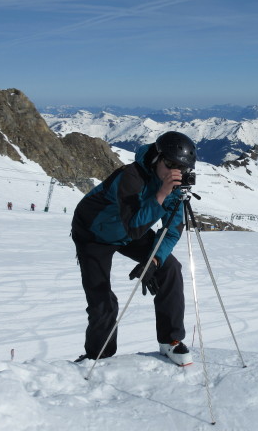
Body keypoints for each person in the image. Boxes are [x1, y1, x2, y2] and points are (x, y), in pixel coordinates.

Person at [71, 131, 196, 366]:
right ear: (156, 157)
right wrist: (161, 194)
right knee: (102, 298)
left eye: (181, 167)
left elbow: (172, 229)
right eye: (170, 164)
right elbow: (135, 227)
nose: (174, 172)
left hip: (127, 233)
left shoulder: (174, 186)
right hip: (92, 233)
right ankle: (98, 357)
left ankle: (171, 341)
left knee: (170, 268)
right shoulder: (131, 176)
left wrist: (155, 260)